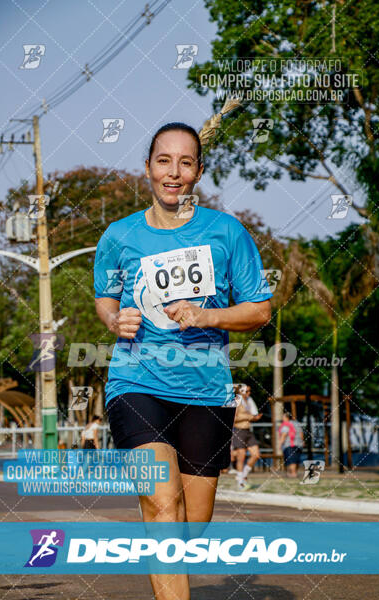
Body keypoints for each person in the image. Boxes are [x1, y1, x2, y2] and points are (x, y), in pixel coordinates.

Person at [94, 121, 273, 600]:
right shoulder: (120, 236)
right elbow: (105, 298)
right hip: (137, 381)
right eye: (163, 161)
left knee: (190, 530)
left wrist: (207, 314)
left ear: (198, 171)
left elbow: (259, 309)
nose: (173, 172)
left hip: (205, 389)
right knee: (164, 504)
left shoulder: (226, 232)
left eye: (185, 162)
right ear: (148, 168)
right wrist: (115, 321)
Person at [231, 384, 263, 488]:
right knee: (241, 457)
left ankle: (243, 476)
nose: (249, 393)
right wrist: (249, 417)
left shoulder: (249, 401)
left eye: (250, 391)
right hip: (239, 430)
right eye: (247, 391)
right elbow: (233, 419)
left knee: (256, 454)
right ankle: (240, 483)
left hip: (248, 430)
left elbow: (251, 415)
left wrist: (255, 417)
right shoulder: (236, 401)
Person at [278, 411, 304, 477]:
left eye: (283, 417)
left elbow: (284, 435)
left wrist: (280, 444)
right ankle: (294, 472)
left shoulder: (286, 424)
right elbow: (301, 433)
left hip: (289, 445)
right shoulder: (297, 423)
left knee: (291, 460)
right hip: (299, 444)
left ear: (287, 418)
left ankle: (292, 473)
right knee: (296, 459)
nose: (282, 418)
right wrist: (302, 442)